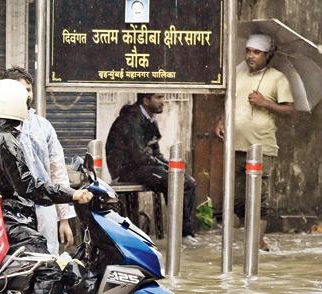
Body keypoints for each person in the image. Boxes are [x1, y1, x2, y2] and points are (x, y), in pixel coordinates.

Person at [0, 79, 92, 294]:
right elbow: (30, 186)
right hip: (8, 219)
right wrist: (71, 195)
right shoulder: (5, 139)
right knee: (47, 266)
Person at [0, 67, 76, 254]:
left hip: (44, 209)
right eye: (21, 90)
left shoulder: (43, 127)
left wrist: (63, 219)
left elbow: (57, 172)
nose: (27, 95)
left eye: (29, 89)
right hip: (7, 216)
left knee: (46, 258)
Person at [216, 33, 294, 251]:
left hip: (261, 148)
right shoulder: (237, 73)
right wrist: (221, 120)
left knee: (259, 197)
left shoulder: (277, 78)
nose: (250, 56)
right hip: (235, 145)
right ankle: (245, 241)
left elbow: (290, 110)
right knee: (237, 198)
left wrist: (265, 103)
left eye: (256, 52)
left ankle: (257, 243)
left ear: (267, 55)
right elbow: (229, 101)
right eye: (248, 51)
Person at [107, 92, 198, 243]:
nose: (162, 101)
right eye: (158, 98)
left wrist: (168, 165)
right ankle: (180, 234)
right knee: (171, 181)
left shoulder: (150, 119)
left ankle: (187, 232)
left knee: (188, 182)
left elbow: (155, 152)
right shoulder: (131, 119)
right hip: (126, 170)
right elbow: (138, 156)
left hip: (143, 167)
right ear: (146, 100)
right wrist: (163, 166)